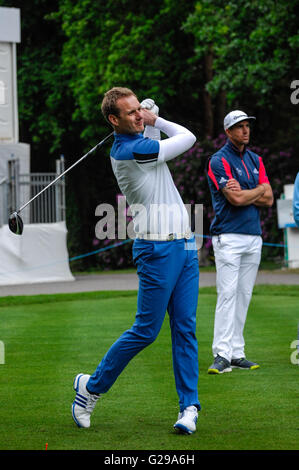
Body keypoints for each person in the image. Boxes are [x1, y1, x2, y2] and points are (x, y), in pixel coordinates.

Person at [71, 87, 201, 434]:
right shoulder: (130, 150)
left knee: (185, 328)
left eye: (137, 109)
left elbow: (152, 137)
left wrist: (146, 118)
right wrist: (155, 118)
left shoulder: (140, 141)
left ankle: (189, 407)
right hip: (156, 249)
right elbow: (186, 137)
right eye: (130, 114)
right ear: (113, 120)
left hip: (185, 245)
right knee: (146, 330)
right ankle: (90, 389)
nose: (137, 116)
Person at [207, 110, 273, 374]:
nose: (245, 130)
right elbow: (234, 200)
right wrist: (257, 190)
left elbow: (268, 198)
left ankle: (236, 352)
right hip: (228, 236)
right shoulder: (218, 160)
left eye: (247, 126)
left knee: (244, 295)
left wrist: (249, 192)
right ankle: (221, 355)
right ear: (228, 131)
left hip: (253, 236)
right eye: (239, 127)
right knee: (227, 294)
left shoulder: (256, 159)